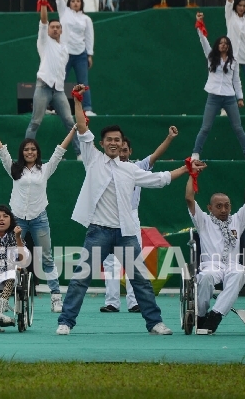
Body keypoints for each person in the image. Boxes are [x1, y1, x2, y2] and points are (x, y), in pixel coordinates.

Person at [56, 85, 190, 336]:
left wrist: (184, 170)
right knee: (80, 279)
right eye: (109, 140)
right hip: (98, 231)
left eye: (118, 140)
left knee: (141, 282)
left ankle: (155, 323)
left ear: (123, 144)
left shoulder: (131, 169)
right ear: (103, 143)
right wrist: (76, 100)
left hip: (127, 233)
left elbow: (159, 179)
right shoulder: (92, 158)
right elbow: (82, 129)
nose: (114, 143)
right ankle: (65, 322)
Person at [0, 112, 77, 313]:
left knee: (47, 257)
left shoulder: (46, 169)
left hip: (39, 218)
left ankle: (55, 298)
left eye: (33, 149)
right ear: (22, 152)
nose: (29, 152)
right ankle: (5, 297)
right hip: (17, 220)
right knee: (11, 257)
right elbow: (1, 151)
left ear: (37, 152)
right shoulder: (14, 169)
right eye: (26, 149)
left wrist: (74, 129)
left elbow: (60, 150)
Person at [185, 160, 245, 333]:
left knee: (239, 273)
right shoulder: (203, 221)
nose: (223, 209)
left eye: (227, 205)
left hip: (232, 265)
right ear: (210, 208)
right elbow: (189, 198)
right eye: (218, 206)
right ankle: (201, 315)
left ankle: (215, 315)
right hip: (210, 265)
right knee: (205, 278)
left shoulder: (237, 219)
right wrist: (193, 175)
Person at [101, 127, 178, 313]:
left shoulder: (137, 167)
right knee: (110, 261)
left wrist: (169, 138)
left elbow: (155, 156)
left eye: (125, 150)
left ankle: (134, 301)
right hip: (109, 215)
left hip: (131, 215)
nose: (122, 153)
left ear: (130, 151)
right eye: (119, 150)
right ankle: (112, 302)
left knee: (133, 259)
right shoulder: (105, 167)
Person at [191, 12, 245, 161]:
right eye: (221, 42)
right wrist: (200, 26)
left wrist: (240, 98)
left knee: (238, 127)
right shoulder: (211, 56)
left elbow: (237, 80)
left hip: (229, 97)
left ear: (229, 46)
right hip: (213, 96)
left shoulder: (233, 61)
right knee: (205, 127)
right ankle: (195, 153)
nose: (223, 44)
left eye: (226, 43)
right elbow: (203, 42)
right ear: (218, 45)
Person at [25, 0, 81, 159]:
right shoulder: (44, 41)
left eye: (58, 27)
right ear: (48, 30)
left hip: (58, 90)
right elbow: (43, 21)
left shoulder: (64, 48)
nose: (55, 29)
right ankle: (25, 154)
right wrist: (43, 2)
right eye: (52, 27)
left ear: (61, 30)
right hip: (43, 86)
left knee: (70, 122)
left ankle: (79, 154)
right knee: (35, 122)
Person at [52, 0, 95, 116]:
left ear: (81, 3)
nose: (75, 3)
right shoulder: (64, 13)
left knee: (83, 82)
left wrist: (89, 54)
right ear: (69, 3)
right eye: (73, 1)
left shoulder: (86, 19)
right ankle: (54, 107)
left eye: (78, 1)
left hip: (81, 54)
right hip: (65, 53)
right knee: (60, 80)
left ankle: (87, 109)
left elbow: (89, 37)